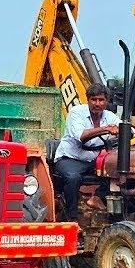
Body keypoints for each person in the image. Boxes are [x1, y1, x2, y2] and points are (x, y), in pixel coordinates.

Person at [52, 82, 120, 220]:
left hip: (92, 161)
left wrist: (130, 129)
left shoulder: (110, 116)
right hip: (69, 159)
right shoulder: (76, 113)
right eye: (93, 100)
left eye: (101, 100)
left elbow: (125, 128)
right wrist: (106, 129)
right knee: (73, 177)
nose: (97, 103)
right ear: (88, 100)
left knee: (119, 171)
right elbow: (81, 136)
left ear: (106, 101)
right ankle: (71, 218)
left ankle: (99, 201)